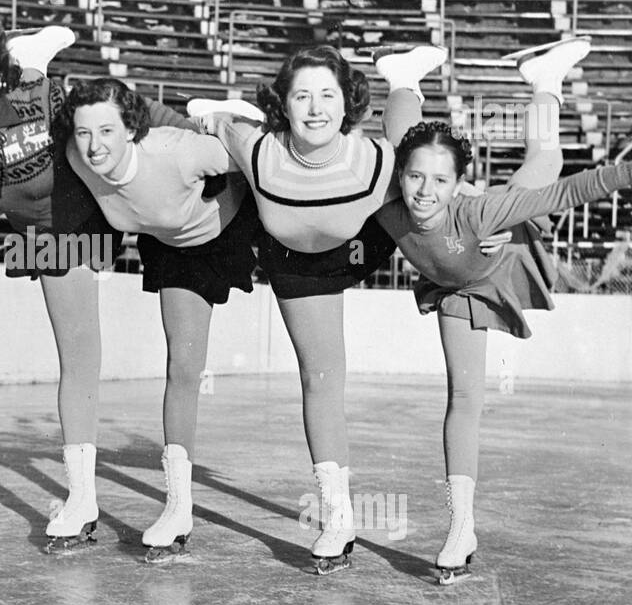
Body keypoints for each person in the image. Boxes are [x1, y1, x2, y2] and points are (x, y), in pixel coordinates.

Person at [371, 39, 632, 583]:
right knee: (463, 395)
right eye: (415, 178)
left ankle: (545, 78)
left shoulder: (479, 209)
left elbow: (570, 191)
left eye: (441, 181)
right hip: (453, 280)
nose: (423, 192)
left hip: (491, 248)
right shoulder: (385, 195)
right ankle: (402, 77)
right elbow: (376, 168)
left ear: (457, 187)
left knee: (546, 162)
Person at [193, 42, 510, 574]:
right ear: (283, 106)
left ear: (347, 104)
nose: (315, 108)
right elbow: (211, 122)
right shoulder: (256, 149)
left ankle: (403, 80)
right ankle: (337, 518)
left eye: (327, 96)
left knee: (403, 150)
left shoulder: (372, 159)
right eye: (301, 97)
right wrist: (209, 118)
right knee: (320, 378)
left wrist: (477, 214)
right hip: (296, 258)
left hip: (366, 234)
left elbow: (432, 175)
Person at [0, 18, 187, 554]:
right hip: (51, 230)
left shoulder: (43, 102)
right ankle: (81, 497)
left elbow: (125, 113)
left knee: (176, 348)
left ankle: (178, 503)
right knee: (79, 356)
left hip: (107, 198)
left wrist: (198, 125)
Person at [63, 76, 258, 562]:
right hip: (164, 239)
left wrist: (229, 129)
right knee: (180, 368)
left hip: (223, 226)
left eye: (106, 131)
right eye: (84, 132)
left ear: (131, 129)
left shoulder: (178, 152)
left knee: (187, 369)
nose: (93, 146)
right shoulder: (75, 155)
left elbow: (264, 156)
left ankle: (221, 116)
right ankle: (178, 508)